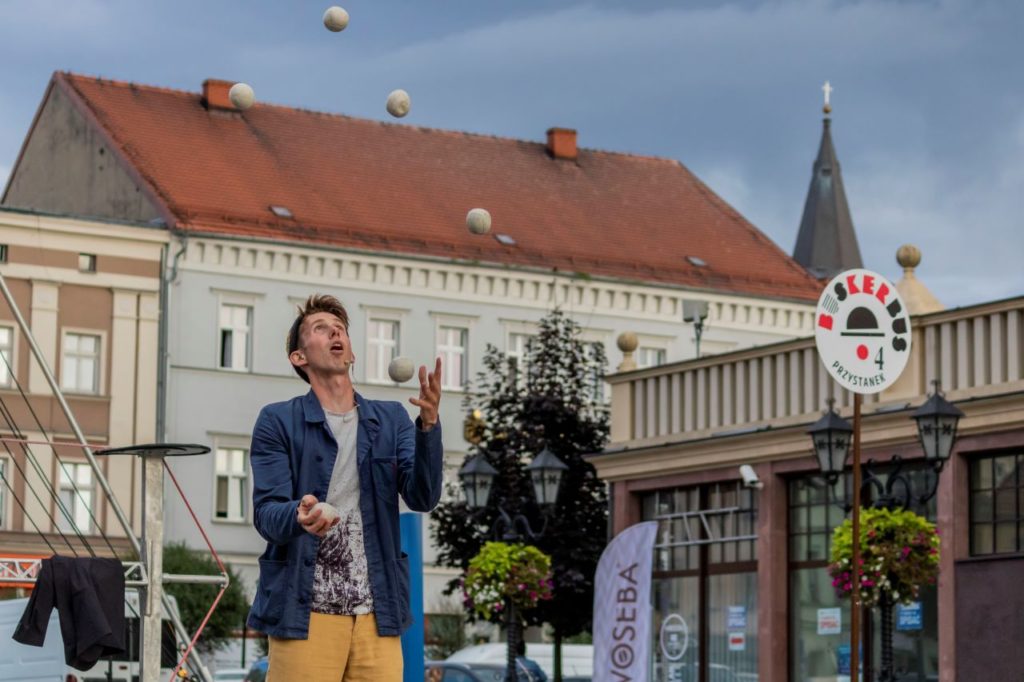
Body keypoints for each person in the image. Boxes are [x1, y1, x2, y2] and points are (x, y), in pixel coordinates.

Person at [245, 294, 444, 681]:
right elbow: (267, 514)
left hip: (378, 612)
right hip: (305, 611)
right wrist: (298, 515)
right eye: (320, 328)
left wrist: (430, 427)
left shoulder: (392, 420)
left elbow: (422, 496)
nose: (335, 331)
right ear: (299, 357)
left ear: (351, 351)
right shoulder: (278, 422)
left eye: (341, 328)